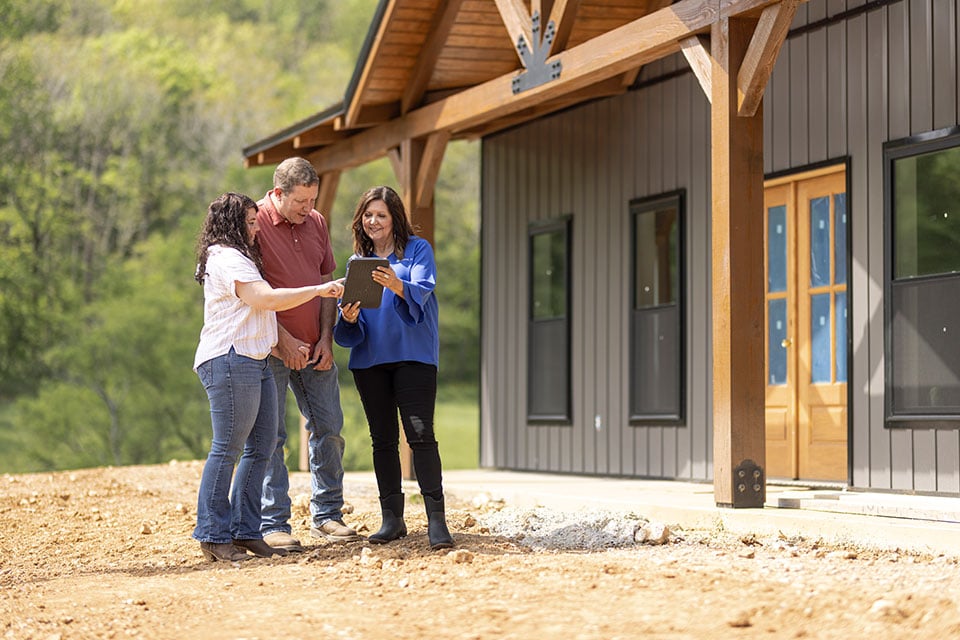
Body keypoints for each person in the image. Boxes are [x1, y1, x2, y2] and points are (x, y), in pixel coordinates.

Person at [192, 192, 344, 562]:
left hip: (256, 360)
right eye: (248, 221)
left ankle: (247, 530)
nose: (256, 224)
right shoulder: (226, 258)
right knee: (227, 449)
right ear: (231, 224)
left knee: (260, 447)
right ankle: (212, 533)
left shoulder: (243, 256)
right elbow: (265, 300)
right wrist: (319, 290)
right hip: (230, 361)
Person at [334, 185, 454, 550]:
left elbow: (422, 289)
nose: (373, 221)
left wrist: (396, 284)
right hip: (371, 361)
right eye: (368, 215)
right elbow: (351, 323)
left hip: (413, 356)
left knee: (420, 435)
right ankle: (392, 519)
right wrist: (349, 317)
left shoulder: (417, 250)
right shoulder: (358, 262)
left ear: (394, 218)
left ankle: (437, 520)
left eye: (381, 215)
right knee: (382, 440)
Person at [256, 157, 358, 551]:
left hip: (316, 347)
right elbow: (253, 294)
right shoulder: (256, 224)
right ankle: (272, 523)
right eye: (301, 201)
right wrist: (282, 341)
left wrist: (325, 339)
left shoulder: (315, 222)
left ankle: (328, 514)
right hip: (270, 350)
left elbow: (326, 284)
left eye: (313, 199)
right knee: (271, 437)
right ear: (278, 193)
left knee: (329, 428)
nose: (309, 208)